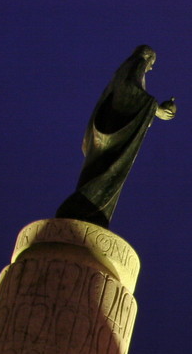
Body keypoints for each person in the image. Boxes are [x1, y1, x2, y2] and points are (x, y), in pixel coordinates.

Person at [56, 45, 176, 227]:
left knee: (99, 171)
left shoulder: (123, 69)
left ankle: (85, 213)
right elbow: (128, 91)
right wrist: (156, 109)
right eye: (152, 63)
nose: (150, 68)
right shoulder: (136, 64)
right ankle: (83, 211)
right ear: (147, 57)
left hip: (107, 132)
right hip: (113, 132)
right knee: (108, 172)